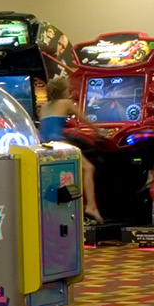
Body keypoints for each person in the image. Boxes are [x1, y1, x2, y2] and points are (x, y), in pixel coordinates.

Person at [41, 76, 102, 223]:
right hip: (59, 144)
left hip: (44, 145)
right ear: (64, 91)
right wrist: (98, 131)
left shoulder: (44, 106)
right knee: (88, 168)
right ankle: (91, 206)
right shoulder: (66, 102)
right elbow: (84, 119)